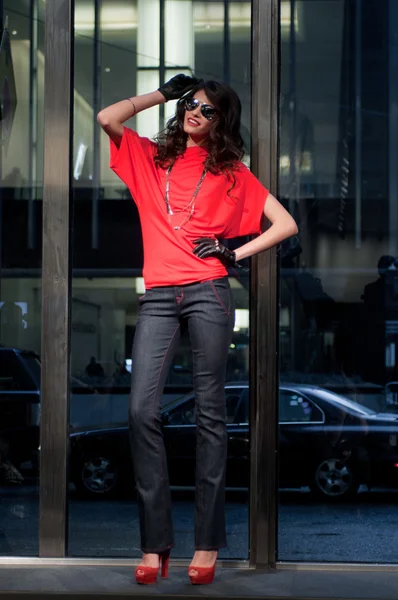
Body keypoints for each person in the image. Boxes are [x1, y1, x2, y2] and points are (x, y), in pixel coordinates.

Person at [98, 74, 298, 585]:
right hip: (160, 297)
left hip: (209, 291)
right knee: (141, 409)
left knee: (211, 415)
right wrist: (163, 93)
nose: (196, 114)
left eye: (209, 111)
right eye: (192, 105)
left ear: (222, 121)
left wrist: (233, 252)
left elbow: (285, 225)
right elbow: (107, 118)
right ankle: (155, 543)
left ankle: (206, 544)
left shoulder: (232, 172)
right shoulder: (149, 159)